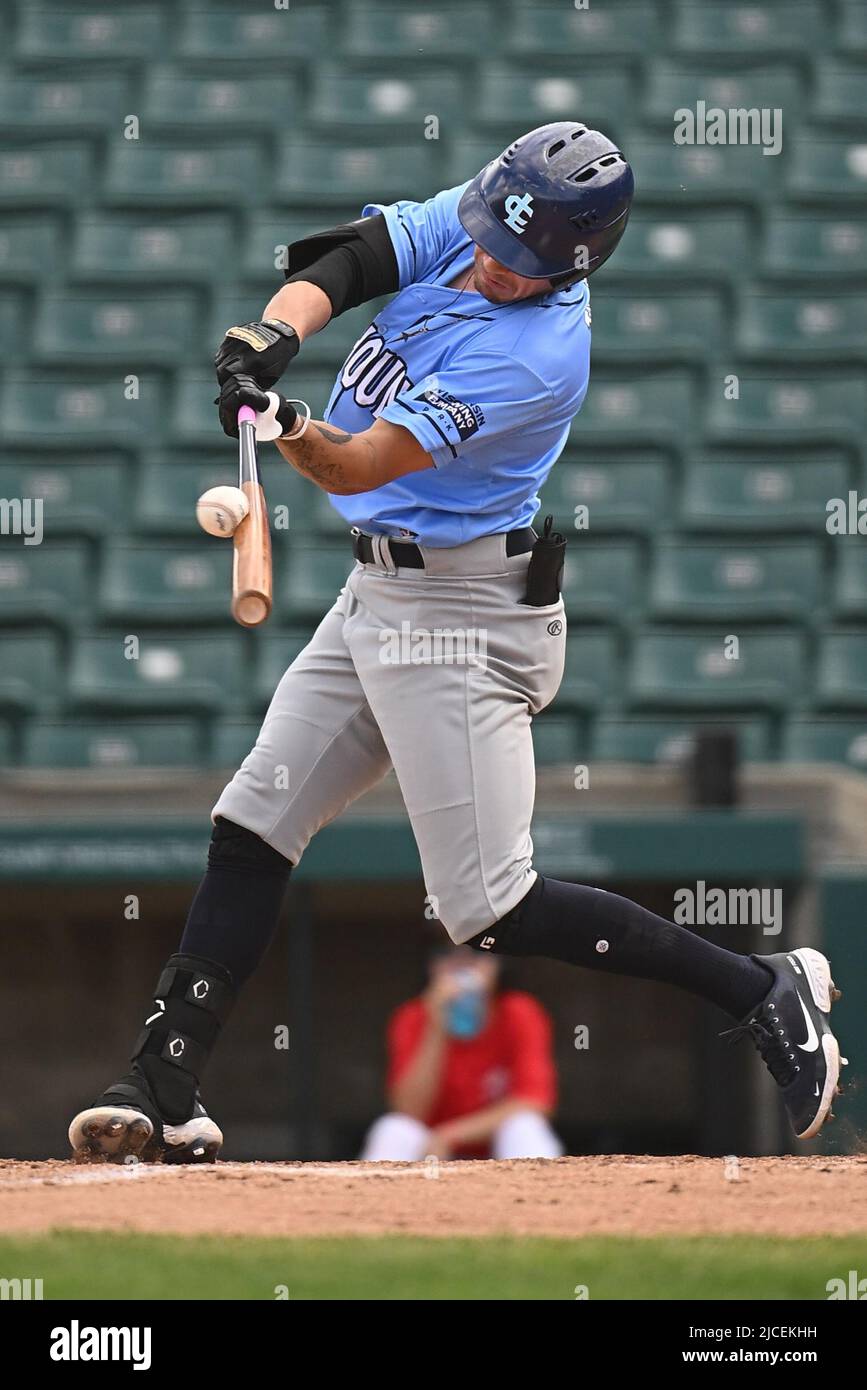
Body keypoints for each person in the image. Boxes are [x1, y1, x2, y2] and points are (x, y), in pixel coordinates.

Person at [69, 122, 844, 1164]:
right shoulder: (495, 209)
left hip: (464, 619)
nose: (487, 260)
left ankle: (763, 987)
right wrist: (272, 336)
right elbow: (350, 262)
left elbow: (357, 467)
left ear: (574, 262)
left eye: (517, 262)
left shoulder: (537, 356)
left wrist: (286, 422)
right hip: (379, 592)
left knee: (490, 910)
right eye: (489, 235)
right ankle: (163, 1078)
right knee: (253, 820)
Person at [361, 949, 562, 1161]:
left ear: (496, 966)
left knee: (525, 1126)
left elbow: (535, 1102)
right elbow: (408, 1110)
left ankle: (536, 1195)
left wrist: (450, 1135)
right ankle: (378, 1196)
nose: (463, 967)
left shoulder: (519, 1011)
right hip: (430, 1149)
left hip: (492, 1144)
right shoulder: (413, 1016)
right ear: (432, 968)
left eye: (475, 956)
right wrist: (436, 1027)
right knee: (393, 1129)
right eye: (450, 956)